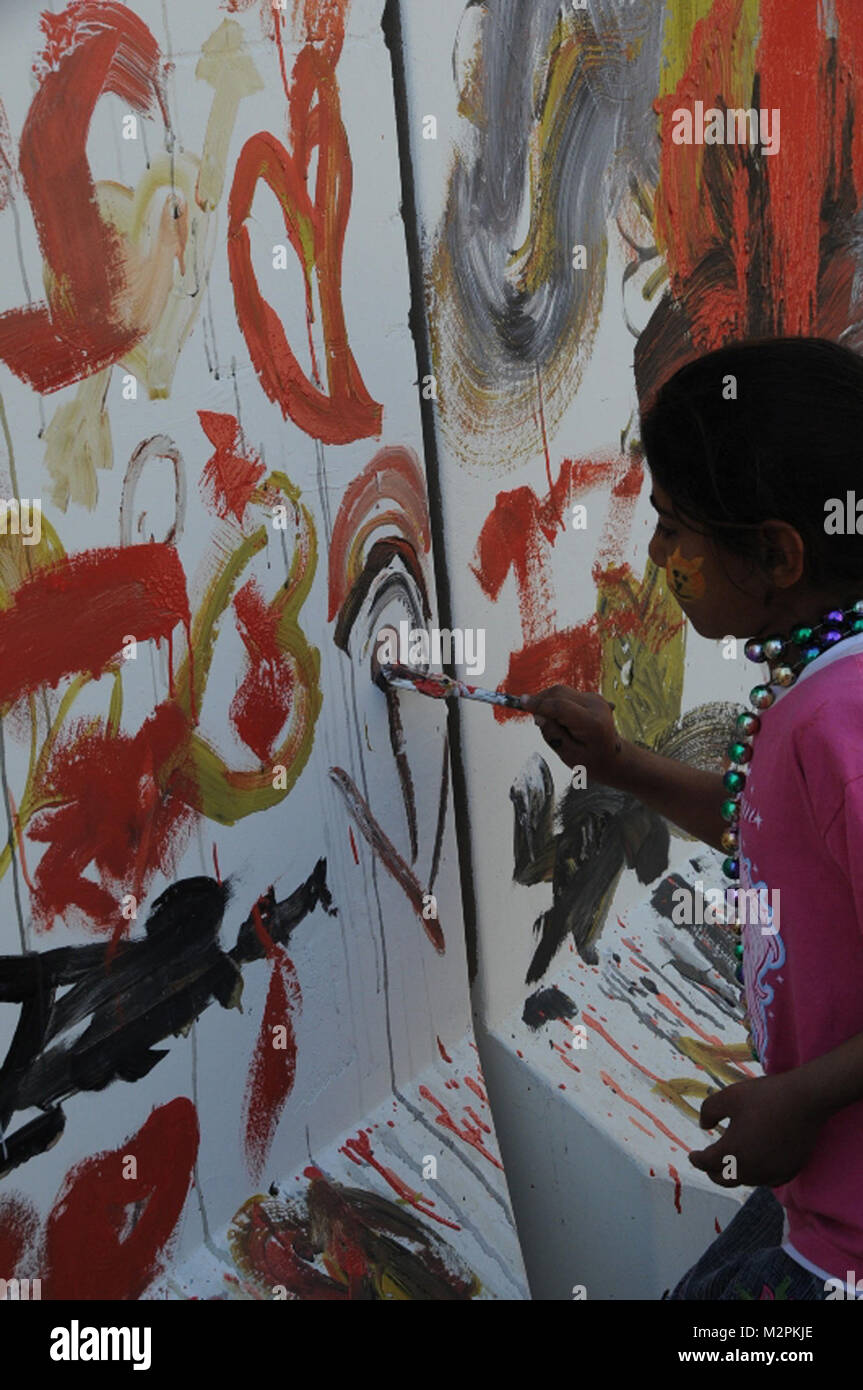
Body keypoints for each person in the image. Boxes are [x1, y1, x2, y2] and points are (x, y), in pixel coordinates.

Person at [523, 336, 863, 1301]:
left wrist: (796, 1101)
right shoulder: (827, 694)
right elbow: (776, 835)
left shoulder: (838, 721)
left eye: (675, 530)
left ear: (777, 553)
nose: (656, 555)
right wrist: (621, 763)